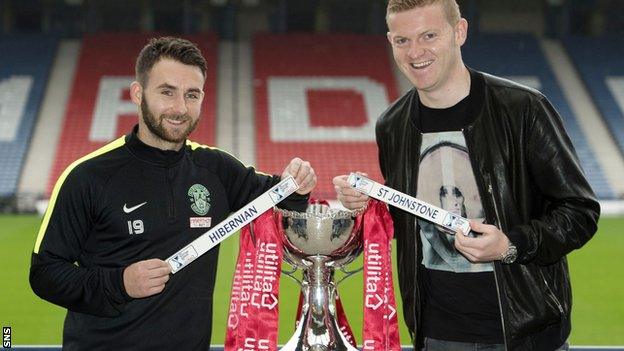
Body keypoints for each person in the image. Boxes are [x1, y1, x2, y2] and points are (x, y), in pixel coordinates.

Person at [333, 1, 600, 350]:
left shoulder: (522, 109)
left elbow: (580, 211)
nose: (416, 52)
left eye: (429, 35)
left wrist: (510, 245)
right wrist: (371, 204)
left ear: (459, 31)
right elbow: (409, 221)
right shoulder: (392, 125)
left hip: (525, 334)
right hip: (436, 335)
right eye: (402, 40)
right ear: (390, 41)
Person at [30, 37, 316, 350]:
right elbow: (45, 274)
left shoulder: (216, 169)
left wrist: (298, 183)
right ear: (138, 93)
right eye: (167, 92)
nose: (180, 108)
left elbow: (283, 200)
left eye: (191, 95)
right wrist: (119, 284)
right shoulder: (87, 176)